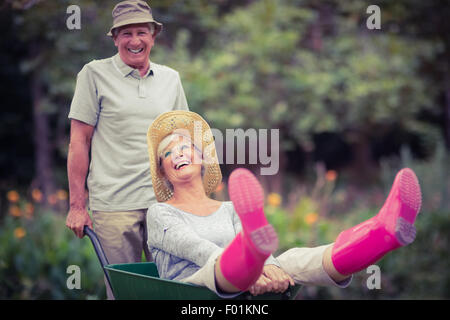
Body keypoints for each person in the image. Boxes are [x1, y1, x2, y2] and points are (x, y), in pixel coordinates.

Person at [146, 110, 422, 297]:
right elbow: (196, 249)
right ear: (163, 170)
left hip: (244, 278)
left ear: (202, 159)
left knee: (296, 259)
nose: (177, 154)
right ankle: (251, 255)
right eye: (168, 153)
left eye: (185, 148)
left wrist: (272, 265)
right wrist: (255, 271)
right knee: (215, 267)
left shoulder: (229, 209)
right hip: (192, 288)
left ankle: (382, 232)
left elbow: (272, 261)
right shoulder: (160, 212)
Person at [66, 0, 188, 299]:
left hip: (166, 205)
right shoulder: (94, 74)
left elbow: (182, 139)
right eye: (126, 33)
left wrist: (192, 197)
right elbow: (78, 142)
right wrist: (77, 206)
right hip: (115, 206)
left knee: (175, 289)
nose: (135, 41)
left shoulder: (170, 78)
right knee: (126, 294)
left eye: (142, 32)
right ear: (115, 38)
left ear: (153, 36)